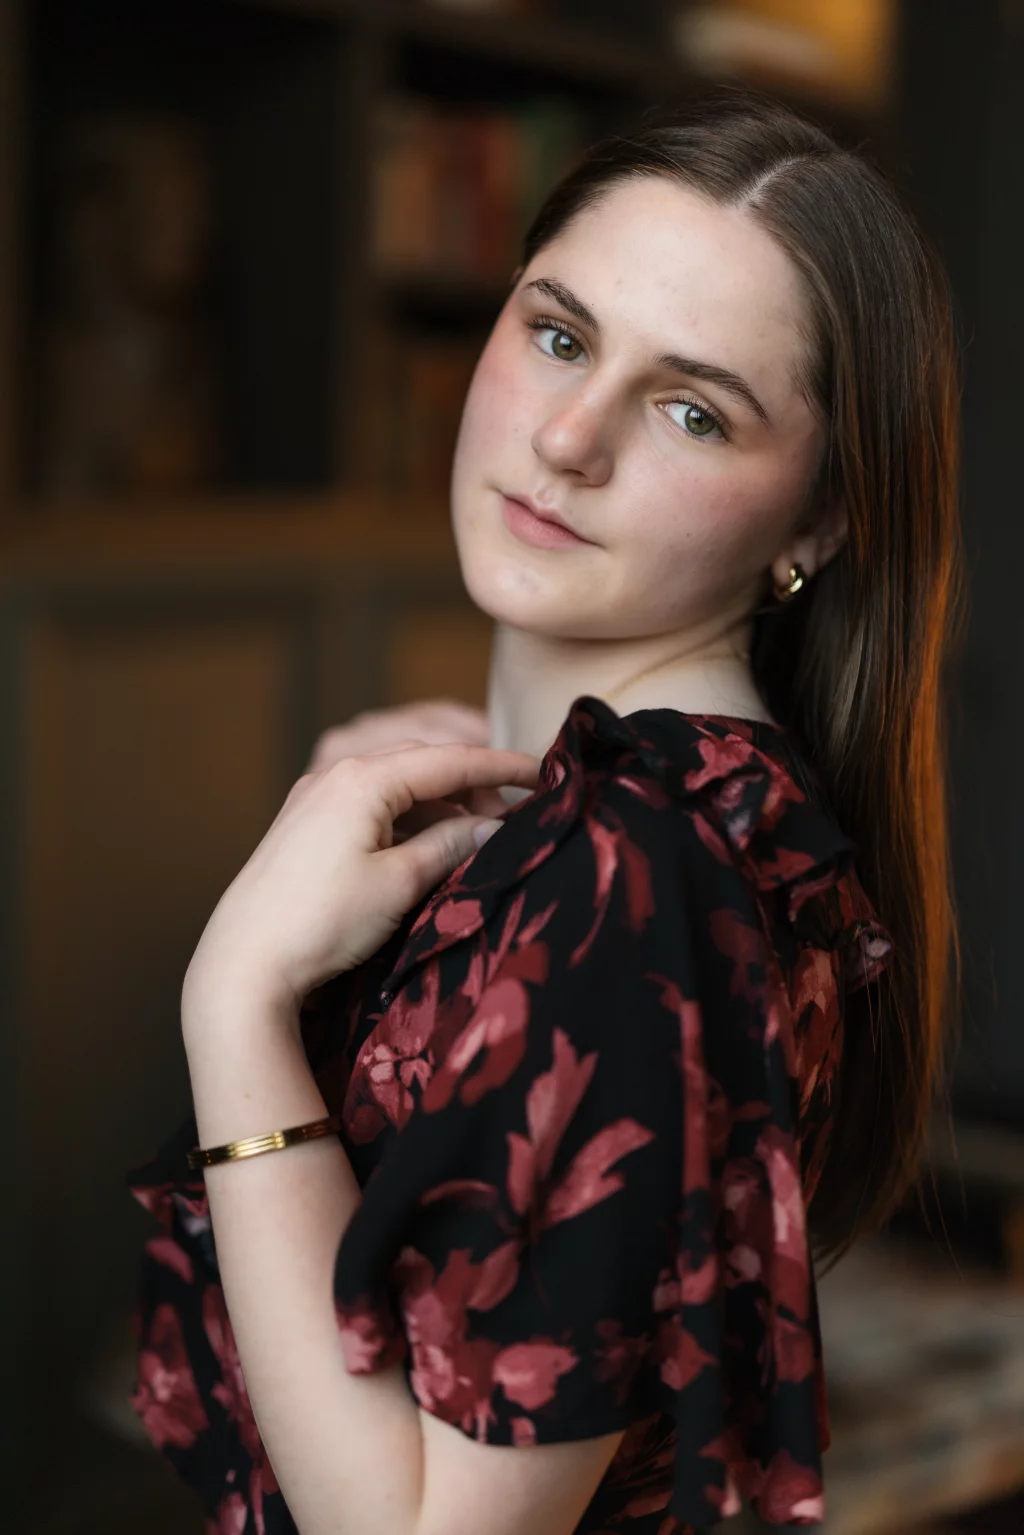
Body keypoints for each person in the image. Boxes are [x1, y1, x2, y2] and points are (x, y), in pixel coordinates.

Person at [127, 88, 963, 1535]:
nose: (570, 437)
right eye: (561, 335)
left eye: (693, 411)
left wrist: (236, 1004)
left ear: (818, 522)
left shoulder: (634, 877)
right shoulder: (616, 821)